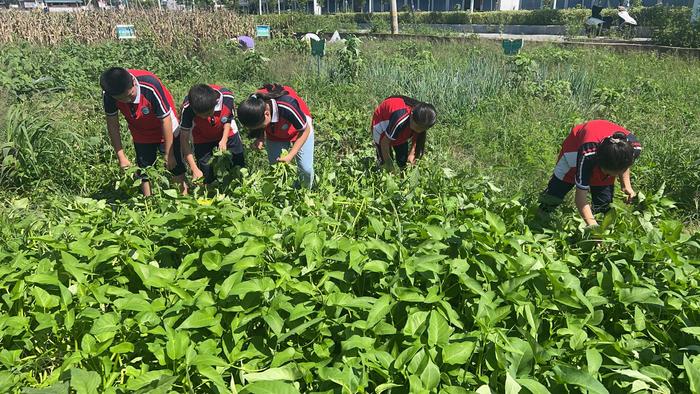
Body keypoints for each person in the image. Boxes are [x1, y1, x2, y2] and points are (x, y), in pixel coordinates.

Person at [538, 120, 642, 228]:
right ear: (599, 161)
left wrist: (626, 185)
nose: (612, 177)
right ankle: (538, 220)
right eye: (608, 173)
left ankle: (601, 229)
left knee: (603, 204)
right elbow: (580, 199)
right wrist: (593, 227)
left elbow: (625, 161)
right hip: (574, 149)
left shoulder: (634, 148)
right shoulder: (587, 154)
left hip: (606, 155)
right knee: (556, 192)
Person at [101, 67, 186, 196]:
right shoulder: (109, 93)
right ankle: (148, 201)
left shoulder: (150, 86)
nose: (127, 101)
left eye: (130, 95)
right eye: (121, 99)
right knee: (144, 168)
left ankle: (182, 198)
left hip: (165, 126)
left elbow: (165, 120)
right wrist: (121, 157)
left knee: (175, 166)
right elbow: (112, 124)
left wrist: (169, 154)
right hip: (140, 130)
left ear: (134, 83)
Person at [237, 84, 315, 189]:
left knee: (306, 169)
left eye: (259, 126)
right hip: (275, 130)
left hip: (300, 128)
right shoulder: (254, 103)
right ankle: (282, 194)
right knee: (276, 167)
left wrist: (290, 155)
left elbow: (305, 130)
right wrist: (260, 137)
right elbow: (257, 123)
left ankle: (305, 193)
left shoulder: (287, 105)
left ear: (266, 114)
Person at [178, 84, 245, 186]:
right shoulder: (188, 108)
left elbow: (228, 118)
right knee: (206, 170)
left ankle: (238, 188)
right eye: (202, 115)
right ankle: (210, 191)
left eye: (209, 113)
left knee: (237, 164)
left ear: (215, 103)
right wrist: (194, 168)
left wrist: (224, 139)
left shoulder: (227, 98)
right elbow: (184, 139)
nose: (207, 118)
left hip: (227, 131)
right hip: (202, 136)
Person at [371, 96, 437, 172]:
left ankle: (402, 176)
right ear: (411, 115)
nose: (418, 131)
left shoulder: (422, 116)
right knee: (385, 162)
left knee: (402, 158)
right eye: (417, 128)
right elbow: (384, 143)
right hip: (381, 127)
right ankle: (384, 176)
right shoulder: (400, 118)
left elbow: (418, 135)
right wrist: (389, 164)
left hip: (402, 127)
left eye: (422, 129)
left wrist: (412, 152)